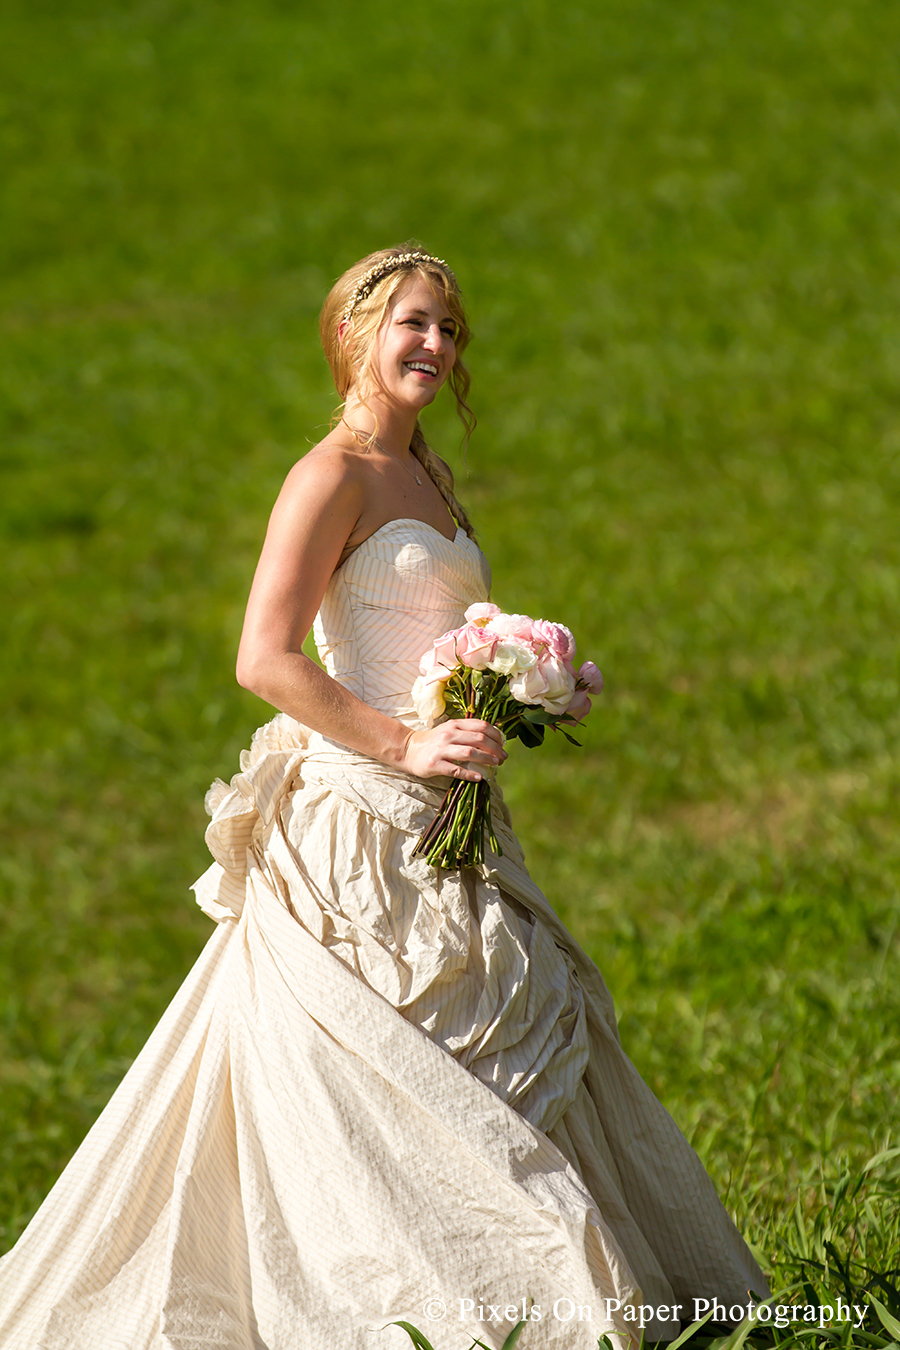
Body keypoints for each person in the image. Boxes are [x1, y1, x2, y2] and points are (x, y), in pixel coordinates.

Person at [0, 247, 768, 1350]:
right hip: (356, 825)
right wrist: (405, 746)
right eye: (414, 323)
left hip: (453, 815)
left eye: (450, 331)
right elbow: (265, 657)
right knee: (367, 1080)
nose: (436, 346)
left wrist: (521, 694)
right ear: (355, 332)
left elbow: (433, 631)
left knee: (515, 1025)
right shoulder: (334, 475)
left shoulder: (430, 476)